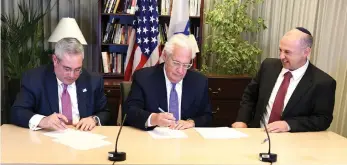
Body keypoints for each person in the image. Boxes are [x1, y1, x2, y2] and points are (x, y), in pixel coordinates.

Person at [232, 27, 336, 133]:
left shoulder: (323, 83)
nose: (281, 56)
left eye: (287, 52)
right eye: (280, 50)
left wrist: (289, 125)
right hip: (257, 134)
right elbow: (250, 95)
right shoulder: (268, 66)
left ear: (306, 52)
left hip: (293, 142)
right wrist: (242, 120)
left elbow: (323, 119)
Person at [11, 38, 110, 131]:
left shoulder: (93, 80)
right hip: (47, 141)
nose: (72, 75)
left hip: (82, 138)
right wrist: (42, 121)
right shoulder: (35, 79)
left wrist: (94, 119)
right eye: (67, 69)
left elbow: (105, 112)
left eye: (77, 69)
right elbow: (17, 111)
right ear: (55, 60)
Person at [124, 34, 212, 130]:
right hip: (152, 140)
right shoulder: (144, 78)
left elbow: (207, 116)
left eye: (186, 65)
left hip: (187, 140)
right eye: (176, 63)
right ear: (165, 56)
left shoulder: (199, 81)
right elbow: (130, 112)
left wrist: (192, 122)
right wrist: (153, 119)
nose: (181, 71)